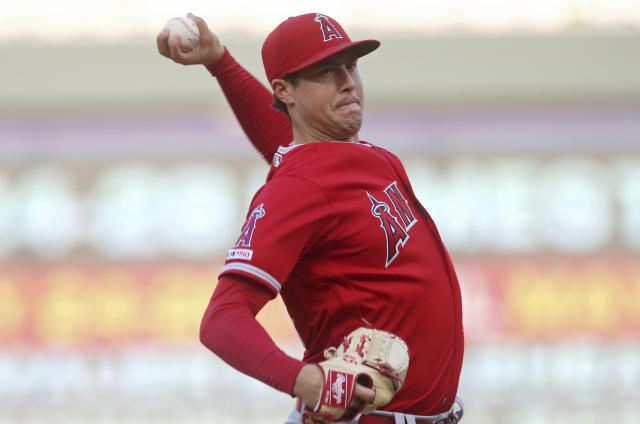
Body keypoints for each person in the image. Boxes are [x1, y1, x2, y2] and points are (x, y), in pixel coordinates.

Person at [157, 12, 464, 424]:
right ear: (284, 90)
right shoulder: (298, 188)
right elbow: (222, 320)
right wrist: (306, 381)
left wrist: (221, 62)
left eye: (350, 66)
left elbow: (286, 137)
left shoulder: (343, 158)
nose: (348, 82)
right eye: (325, 72)